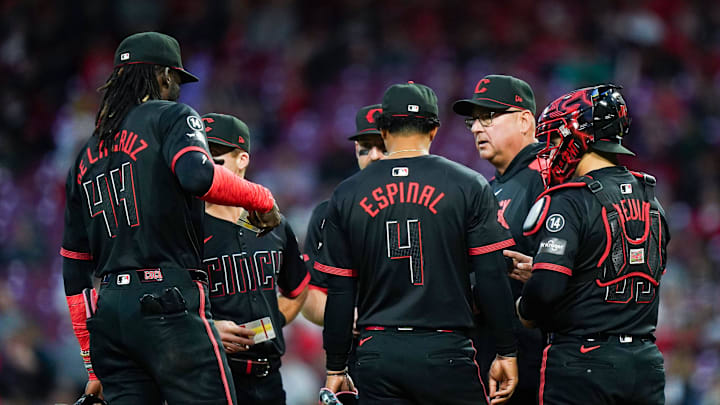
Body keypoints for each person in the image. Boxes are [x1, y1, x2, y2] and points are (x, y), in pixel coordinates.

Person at [60, 32, 280, 405]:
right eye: (176, 78)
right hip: (167, 302)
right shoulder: (171, 117)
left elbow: (74, 269)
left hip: (112, 317)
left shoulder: (85, 156)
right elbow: (197, 175)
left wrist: (91, 360)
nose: (177, 87)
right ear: (162, 75)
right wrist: (261, 197)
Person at [317, 82, 519, 404]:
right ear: (434, 130)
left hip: (377, 353)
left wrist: (336, 364)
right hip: (446, 350)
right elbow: (491, 275)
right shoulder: (468, 184)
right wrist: (507, 351)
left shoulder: (347, 193)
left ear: (383, 130)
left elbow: (340, 291)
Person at [516, 85, 669, 404]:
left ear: (578, 136)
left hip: (584, 362)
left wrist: (524, 306)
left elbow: (545, 291)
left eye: (555, 138)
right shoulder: (653, 200)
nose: (550, 149)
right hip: (645, 362)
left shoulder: (570, 200)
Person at [200, 112, 310, 405]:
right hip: (209, 377)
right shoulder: (183, 229)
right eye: (201, 159)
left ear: (242, 160)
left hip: (268, 379)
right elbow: (161, 312)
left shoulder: (271, 223)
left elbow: (297, 289)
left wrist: (268, 325)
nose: (207, 168)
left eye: (217, 158)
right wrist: (205, 330)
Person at [452, 74, 545, 404]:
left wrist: (548, 273)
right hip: (497, 347)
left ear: (524, 120)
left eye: (488, 117)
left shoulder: (548, 175)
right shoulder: (492, 187)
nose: (477, 128)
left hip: (536, 352)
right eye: (473, 121)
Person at [301, 104, 386, 326]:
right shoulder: (330, 213)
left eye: (383, 147)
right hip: (362, 350)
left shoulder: (433, 204)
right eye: (367, 147)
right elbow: (312, 294)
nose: (374, 156)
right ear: (356, 148)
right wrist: (350, 318)